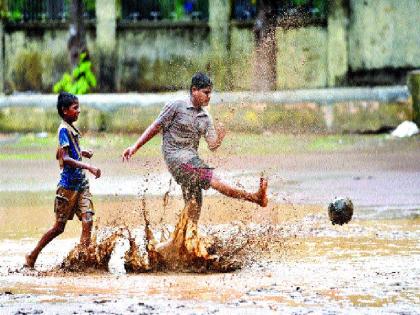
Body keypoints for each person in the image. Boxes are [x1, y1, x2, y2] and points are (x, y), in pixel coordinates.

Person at [122, 72, 267, 222]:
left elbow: (212, 145)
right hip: (177, 160)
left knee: (193, 208)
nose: (209, 96)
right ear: (194, 90)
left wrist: (220, 136)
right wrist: (135, 147)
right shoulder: (176, 105)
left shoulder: (205, 118)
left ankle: (182, 243)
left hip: (191, 161)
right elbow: (155, 127)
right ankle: (254, 198)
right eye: (205, 92)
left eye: (210, 93)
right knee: (215, 180)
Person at [25, 92, 101, 269]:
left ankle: (82, 260)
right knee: (59, 227)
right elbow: (65, 158)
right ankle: (32, 255)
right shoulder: (63, 130)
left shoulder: (70, 128)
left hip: (81, 185)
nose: (79, 111)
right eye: (76, 108)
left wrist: (83, 153)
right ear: (64, 111)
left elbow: (69, 152)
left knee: (88, 218)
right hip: (67, 188)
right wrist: (88, 167)